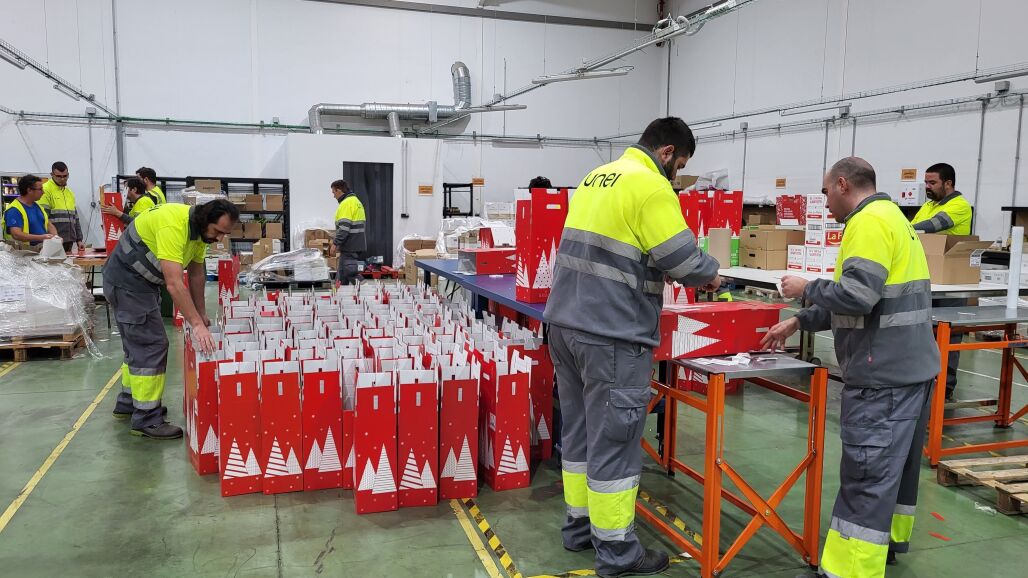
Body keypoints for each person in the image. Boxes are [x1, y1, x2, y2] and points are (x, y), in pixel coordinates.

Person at [544, 117, 722, 578]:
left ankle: (579, 527)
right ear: (667, 153)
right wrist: (712, 273)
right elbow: (682, 260)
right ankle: (617, 551)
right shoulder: (650, 186)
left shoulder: (596, 177)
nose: (677, 176)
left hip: (564, 324)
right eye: (679, 166)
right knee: (616, 442)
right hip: (611, 334)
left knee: (580, 434)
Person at [762, 157, 939, 578]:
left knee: (867, 475)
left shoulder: (867, 223)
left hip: (882, 377)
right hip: (910, 371)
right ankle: (885, 546)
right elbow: (867, 302)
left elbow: (857, 297)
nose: (825, 203)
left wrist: (807, 288)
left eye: (826, 192)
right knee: (895, 471)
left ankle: (850, 569)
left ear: (843, 185)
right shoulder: (893, 218)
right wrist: (799, 321)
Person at [103, 200, 238, 439]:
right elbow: (174, 284)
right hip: (128, 284)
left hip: (140, 284)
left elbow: (196, 274)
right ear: (204, 219)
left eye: (224, 235)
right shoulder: (173, 226)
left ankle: (128, 402)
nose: (219, 239)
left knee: (137, 344)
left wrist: (201, 314)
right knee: (151, 344)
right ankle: (147, 419)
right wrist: (196, 325)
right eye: (218, 231)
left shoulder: (199, 234)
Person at [911, 162, 972, 400]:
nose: (927, 187)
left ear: (948, 183)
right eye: (926, 182)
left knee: (947, 335)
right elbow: (913, 228)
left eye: (932, 182)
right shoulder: (929, 205)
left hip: (952, 284)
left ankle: (945, 387)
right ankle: (923, 382)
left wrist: (899, 228)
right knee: (923, 332)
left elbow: (932, 226)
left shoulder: (959, 206)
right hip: (929, 279)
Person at [3, 174, 58, 249]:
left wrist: (56, 237)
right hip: (23, 252)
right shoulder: (14, 210)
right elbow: (16, 234)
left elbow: (48, 224)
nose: (43, 192)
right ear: (29, 190)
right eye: (40, 189)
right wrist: (42, 237)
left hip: (40, 250)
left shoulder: (38, 206)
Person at [38, 161, 83, 252]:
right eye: (59, 176)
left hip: (69, 241)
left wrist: (79, 240)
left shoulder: (69, 192)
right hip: (53, 241)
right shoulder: (45, 190)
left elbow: (76, 219)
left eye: (65, 176)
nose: (62, 179)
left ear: (68, 175)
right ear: (52, 175)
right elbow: (42, 218)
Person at [329, 180, 367, 286]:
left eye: (334, 192)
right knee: (341, 275)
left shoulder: (346, 204)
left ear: (339, 191)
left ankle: (366, 290)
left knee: (350, 271)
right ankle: (339, 293)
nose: (333, 196)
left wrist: (335, 243)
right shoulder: (356, 201)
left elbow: (344, 228)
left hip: (350, 245)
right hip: (355, 243)